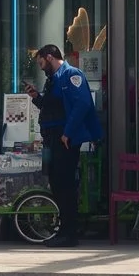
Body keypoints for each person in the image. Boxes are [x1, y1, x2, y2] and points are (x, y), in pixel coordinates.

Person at [34, 44, 101, 247]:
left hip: (64, 140)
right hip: (51, 138)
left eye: (41, 62)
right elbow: (53, 106)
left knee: (65, 185)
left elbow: (82, 104)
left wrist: (68, 133)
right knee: (56, 183)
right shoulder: (53, 79)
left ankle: (69, 233)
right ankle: (63, 230)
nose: (41, 67)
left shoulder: (72, 74)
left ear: (49, 57)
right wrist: (37, 98)